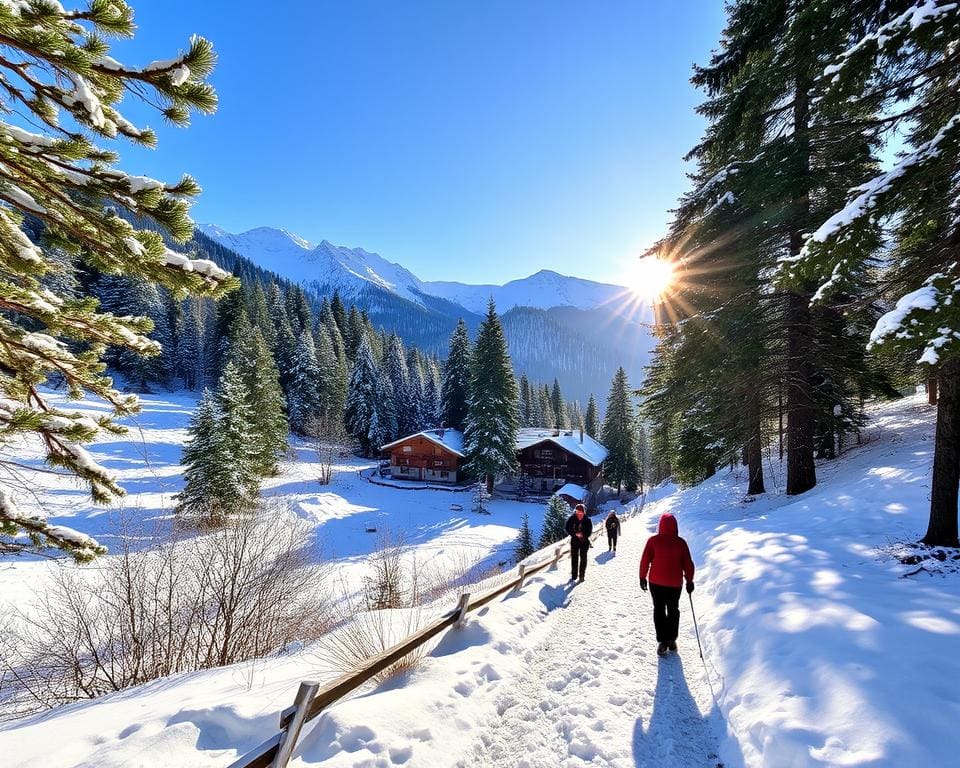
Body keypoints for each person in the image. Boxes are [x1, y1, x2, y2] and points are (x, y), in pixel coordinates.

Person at [638, 513, 695, 656]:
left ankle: (662, 641)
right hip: (675, 583)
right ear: (675, 526)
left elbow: (645, 560)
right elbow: (688, 564)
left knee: (659, 609)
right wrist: (689, 580)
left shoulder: (653, 541)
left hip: (656, 582)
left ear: (660, 525)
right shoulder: (681, 543)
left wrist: (642, 577)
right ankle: (672, 639)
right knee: (673, 609)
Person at [565, 503, 593, 583]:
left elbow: (589, 531)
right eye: (578, 511)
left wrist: (583, 535)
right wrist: (575, 534)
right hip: (574, 541)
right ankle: (574, 576)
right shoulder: (572, 519)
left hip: (584, 541)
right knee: (574, 558)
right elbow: (567, 528)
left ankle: (582, 576)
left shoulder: (587, 520)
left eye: (581, 511)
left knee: (583, 558)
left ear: (584, 512)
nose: (579, 513)